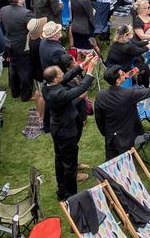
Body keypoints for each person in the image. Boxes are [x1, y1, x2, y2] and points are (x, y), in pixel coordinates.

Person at [42, 53, 97, 200]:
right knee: (69, 164)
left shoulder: (47, 86)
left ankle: (61, 188)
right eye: (60, 73)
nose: (63, 74)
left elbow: (65, 77)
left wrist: (83, 64)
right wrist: (90, 70)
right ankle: (70, 196)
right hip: (65, 131)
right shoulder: (58, 93)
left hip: (57, 128)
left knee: (60, 160)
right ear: (55, 79)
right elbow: (81, 88)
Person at [94, 58, 150, 159]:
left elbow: (98, 117)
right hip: (128, 132)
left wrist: (105, 132)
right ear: (118, 80)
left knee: (111, 160)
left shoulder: (100, 95)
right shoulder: (129, 93)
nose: (125, 75)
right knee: (126, 161)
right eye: (122, 74)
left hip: (110, 133)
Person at [0, 0, 34, 100]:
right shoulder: (25, 13)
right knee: (25, 71)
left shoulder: (3, 10)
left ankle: (15, 92)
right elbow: (33, 28)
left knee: (13, 68)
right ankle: (25, 95)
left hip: (9, 43)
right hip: (22, 45)